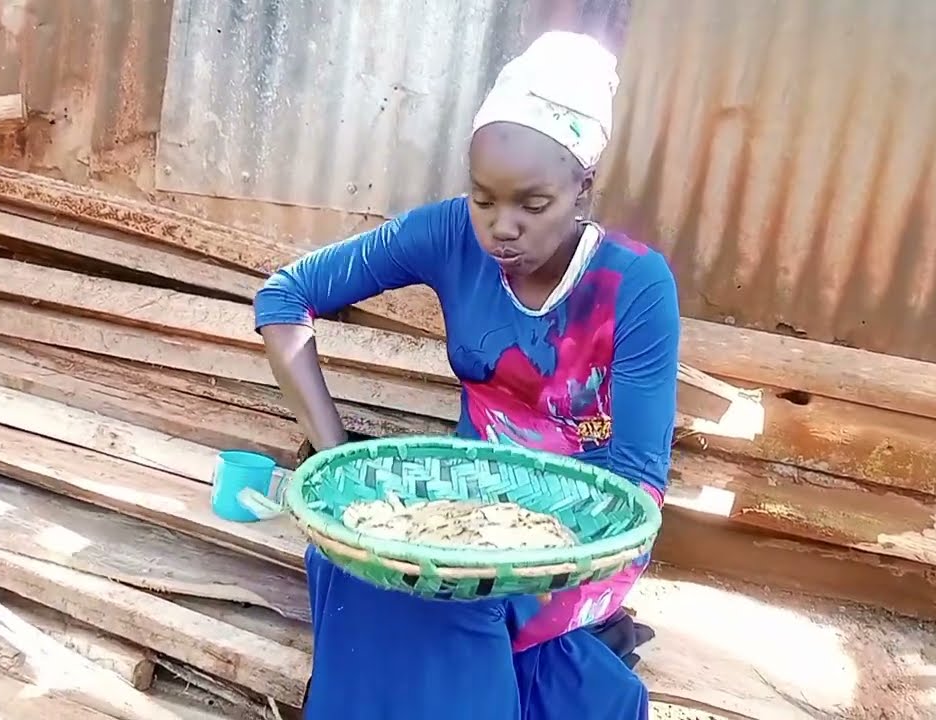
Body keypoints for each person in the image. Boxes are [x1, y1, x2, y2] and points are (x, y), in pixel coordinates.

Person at [254, 31, 680, 720]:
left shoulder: (633, 286)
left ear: (582, 187)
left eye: (531, 205)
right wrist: (336, 457)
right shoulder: (449, 234)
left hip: (581, 542)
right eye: (484, 199)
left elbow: (638, 488)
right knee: (350, 562)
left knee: (452, 612)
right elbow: (285, 296)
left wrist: (551, 567)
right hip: (456, 513)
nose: (500, 227)